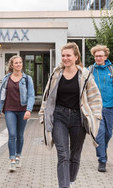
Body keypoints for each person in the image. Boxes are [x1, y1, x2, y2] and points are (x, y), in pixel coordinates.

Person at [39, 42, 102, 188]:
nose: (65, 58)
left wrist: (96, 116)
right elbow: (47, 96)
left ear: (76, 57)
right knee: (63, 154)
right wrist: (43, 114)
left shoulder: (85, 76)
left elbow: (95, 97)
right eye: (63, 55)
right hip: (59, 116)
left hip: (78, 118)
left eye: (68, 55)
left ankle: (71, 180)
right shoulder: (56, 74)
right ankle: (64, 185)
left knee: (75, 154)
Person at [89, 44, 113, 173]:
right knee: (99, 133)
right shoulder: (90, 70)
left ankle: (103, 150)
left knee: (108, 133)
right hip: (95, 108)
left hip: (109, 107)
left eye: (100, 56)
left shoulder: (112, 70)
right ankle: (102, 160)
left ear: (105, 56)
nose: (98, 58)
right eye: (96, 56)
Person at [0, 55, 35, 172]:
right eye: (16, 63)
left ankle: (18, 156)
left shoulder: (27, 79)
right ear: (12, 65)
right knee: (12, 134)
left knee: (20, 135)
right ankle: (12, 160)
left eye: (20, 62)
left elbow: (31, 95)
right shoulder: (6, 79)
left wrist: (29, 110)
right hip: (9, 110)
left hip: (23, 110)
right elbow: (2, 96)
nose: (18, 64)